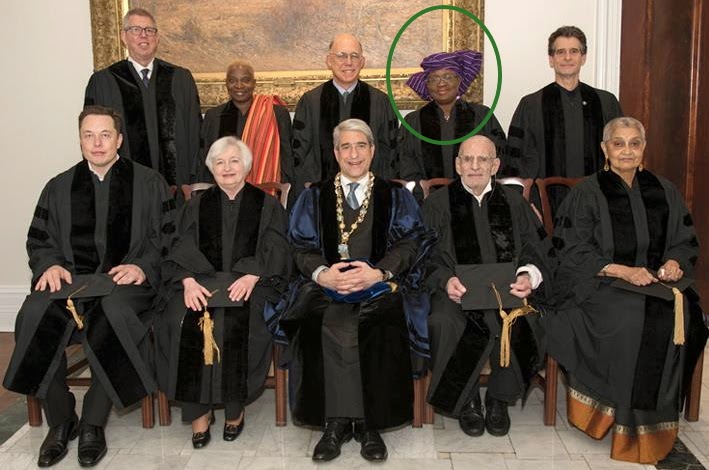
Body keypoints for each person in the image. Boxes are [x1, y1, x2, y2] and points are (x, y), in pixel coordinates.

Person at [2, 105, 176, 467]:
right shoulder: (58, 186)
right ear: (79, 140)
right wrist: (48, 264)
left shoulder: (149, 182)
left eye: (105, 135)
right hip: (73, 284)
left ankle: (94, 422)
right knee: (33, 313)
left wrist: (143, 267)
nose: (97, 143)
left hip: (124, 285)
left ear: (119, 139)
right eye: (88, 135)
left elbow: (169, 239)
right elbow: (39, 239)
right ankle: (62, 420)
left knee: (110, 316)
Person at [546, 117, 708, 464]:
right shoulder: (586, 192)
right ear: (604, 149)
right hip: (602, 282)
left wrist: (675, 262)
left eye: (634, 143)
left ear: (643, 148)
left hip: (657, 282)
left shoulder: (664, 190)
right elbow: (571, 250)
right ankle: (617, 419)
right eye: (618, 143)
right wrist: (624, 271)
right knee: (632, 319)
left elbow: (685, 240)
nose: (627, 151)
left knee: (684, 313)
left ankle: (656, 421)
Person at [274, 119, 433, 462]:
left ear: (373, 150)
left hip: (378, 284)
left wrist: (378, 272)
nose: (354, 153)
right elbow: (299, 246)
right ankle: (334, 422)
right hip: (326, 284)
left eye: (361, 145)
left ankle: (369, 424)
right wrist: (322, 274)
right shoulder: (313, 196)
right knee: (319, 322)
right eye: (345, 147)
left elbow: (410, 242)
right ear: (335, 153)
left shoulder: (395, 195)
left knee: (379, 323)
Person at [156, 136, 290, 449]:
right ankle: (198, 413)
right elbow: (178, 246)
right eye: (220, 162)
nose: (227, 168)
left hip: (250, 283)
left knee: (238, 319)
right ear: (211, 168)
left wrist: (254, 273)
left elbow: (279, 247)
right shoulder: (196, 205)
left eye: (233, 161)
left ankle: (234, 409)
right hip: (200, 282)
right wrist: (187, 280)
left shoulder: (267, 205)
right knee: (181, 317)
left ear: (246, 166)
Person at [422, 135, 554, 437]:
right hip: (456, 295)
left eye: (483, 159)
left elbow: (538, 251)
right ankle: (467, 401)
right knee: (443, 321)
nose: (475, 166)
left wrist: (527, 276)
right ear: (457, 165)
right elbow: (423, 257)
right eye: (467, 159)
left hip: (508, 293)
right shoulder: (437, 204)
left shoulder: (515, 203)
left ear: (495, 165)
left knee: (527, 321)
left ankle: (498, 399)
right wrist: (446, 281)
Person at [84, 7, 202, 189]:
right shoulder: (104, 82)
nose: (144, 36)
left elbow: (195, 133)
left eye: (149, 30)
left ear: (157, 37)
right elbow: (92, 137)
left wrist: (192, 182)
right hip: (124, 188)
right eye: (136, 30)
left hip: (177, 188)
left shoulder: (180, 79)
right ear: (124, 37)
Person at [507, 26, 622, 180]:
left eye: (574, 51)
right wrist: (528, 202)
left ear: (583, 57)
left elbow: (621, 153)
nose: (567, 58)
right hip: (545, 201)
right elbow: (516, 160)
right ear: (551, 59)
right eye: (560, 52)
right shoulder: (531, 105)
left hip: (597, 199)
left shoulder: (606, 103)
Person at [291, 33, 398, 197]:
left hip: (371, 195)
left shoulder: (380, 101)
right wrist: (309, 190)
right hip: (320, 194)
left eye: (354, 56)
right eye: (341, 55)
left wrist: (382, 189)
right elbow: (300, 155)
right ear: (329, 61)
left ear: (362, 62)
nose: (348, 62)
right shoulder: (310, 102)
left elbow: (389, 154)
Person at [399, 50, 507, 182]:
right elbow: (406, 165)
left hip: (476, 196)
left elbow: (499, 158)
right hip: (427, 198)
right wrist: (423, 193)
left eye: (448, 77)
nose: (441, 83)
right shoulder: (413, 121)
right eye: (434, 79)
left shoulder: (482, 116)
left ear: (460, 81)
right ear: (427, 85)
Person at [200, 60, 294, 190]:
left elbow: (287, 158)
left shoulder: (275, 113)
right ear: (226, 84)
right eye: (232, 80)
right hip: (222, 193)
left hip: (266, 193)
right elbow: (206, 161)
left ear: (254, 83)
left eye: (245, 80)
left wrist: (284, 193)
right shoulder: (214, 117)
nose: (239, 86)